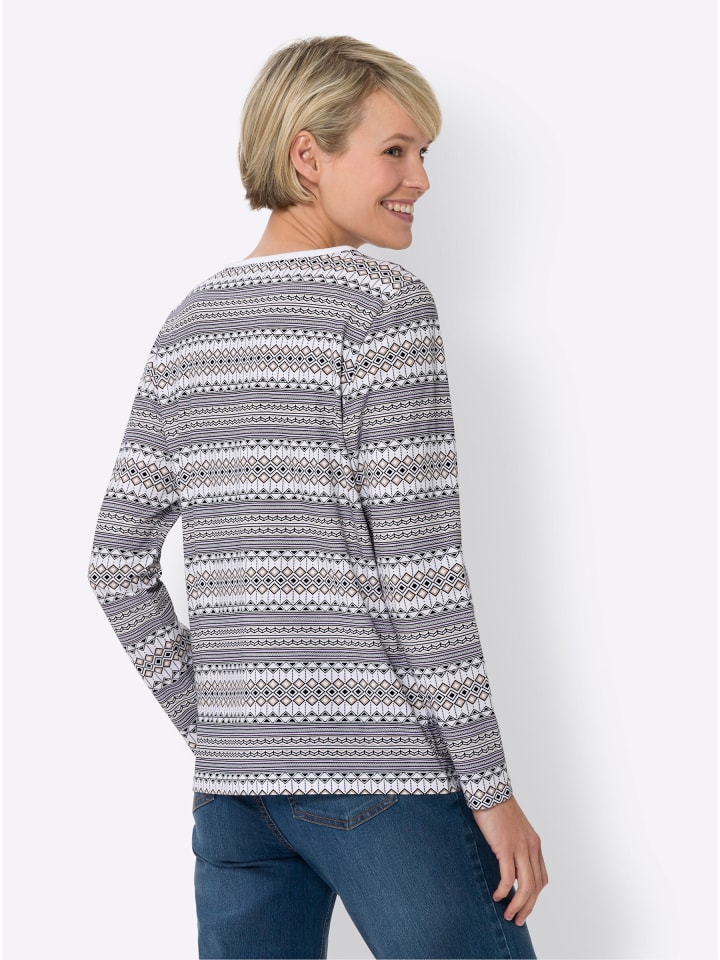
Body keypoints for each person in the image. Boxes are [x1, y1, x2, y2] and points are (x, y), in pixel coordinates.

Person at [88, 35, 548, 960]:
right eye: (395, 150)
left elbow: (113, 567)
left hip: (235, 803)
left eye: (424, 153)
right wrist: (493, 792)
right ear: (308, 155)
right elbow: (422, 580)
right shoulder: (383, 309)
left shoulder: (190, 326)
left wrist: (222, 728)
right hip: (385, 783)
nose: (420, 178)